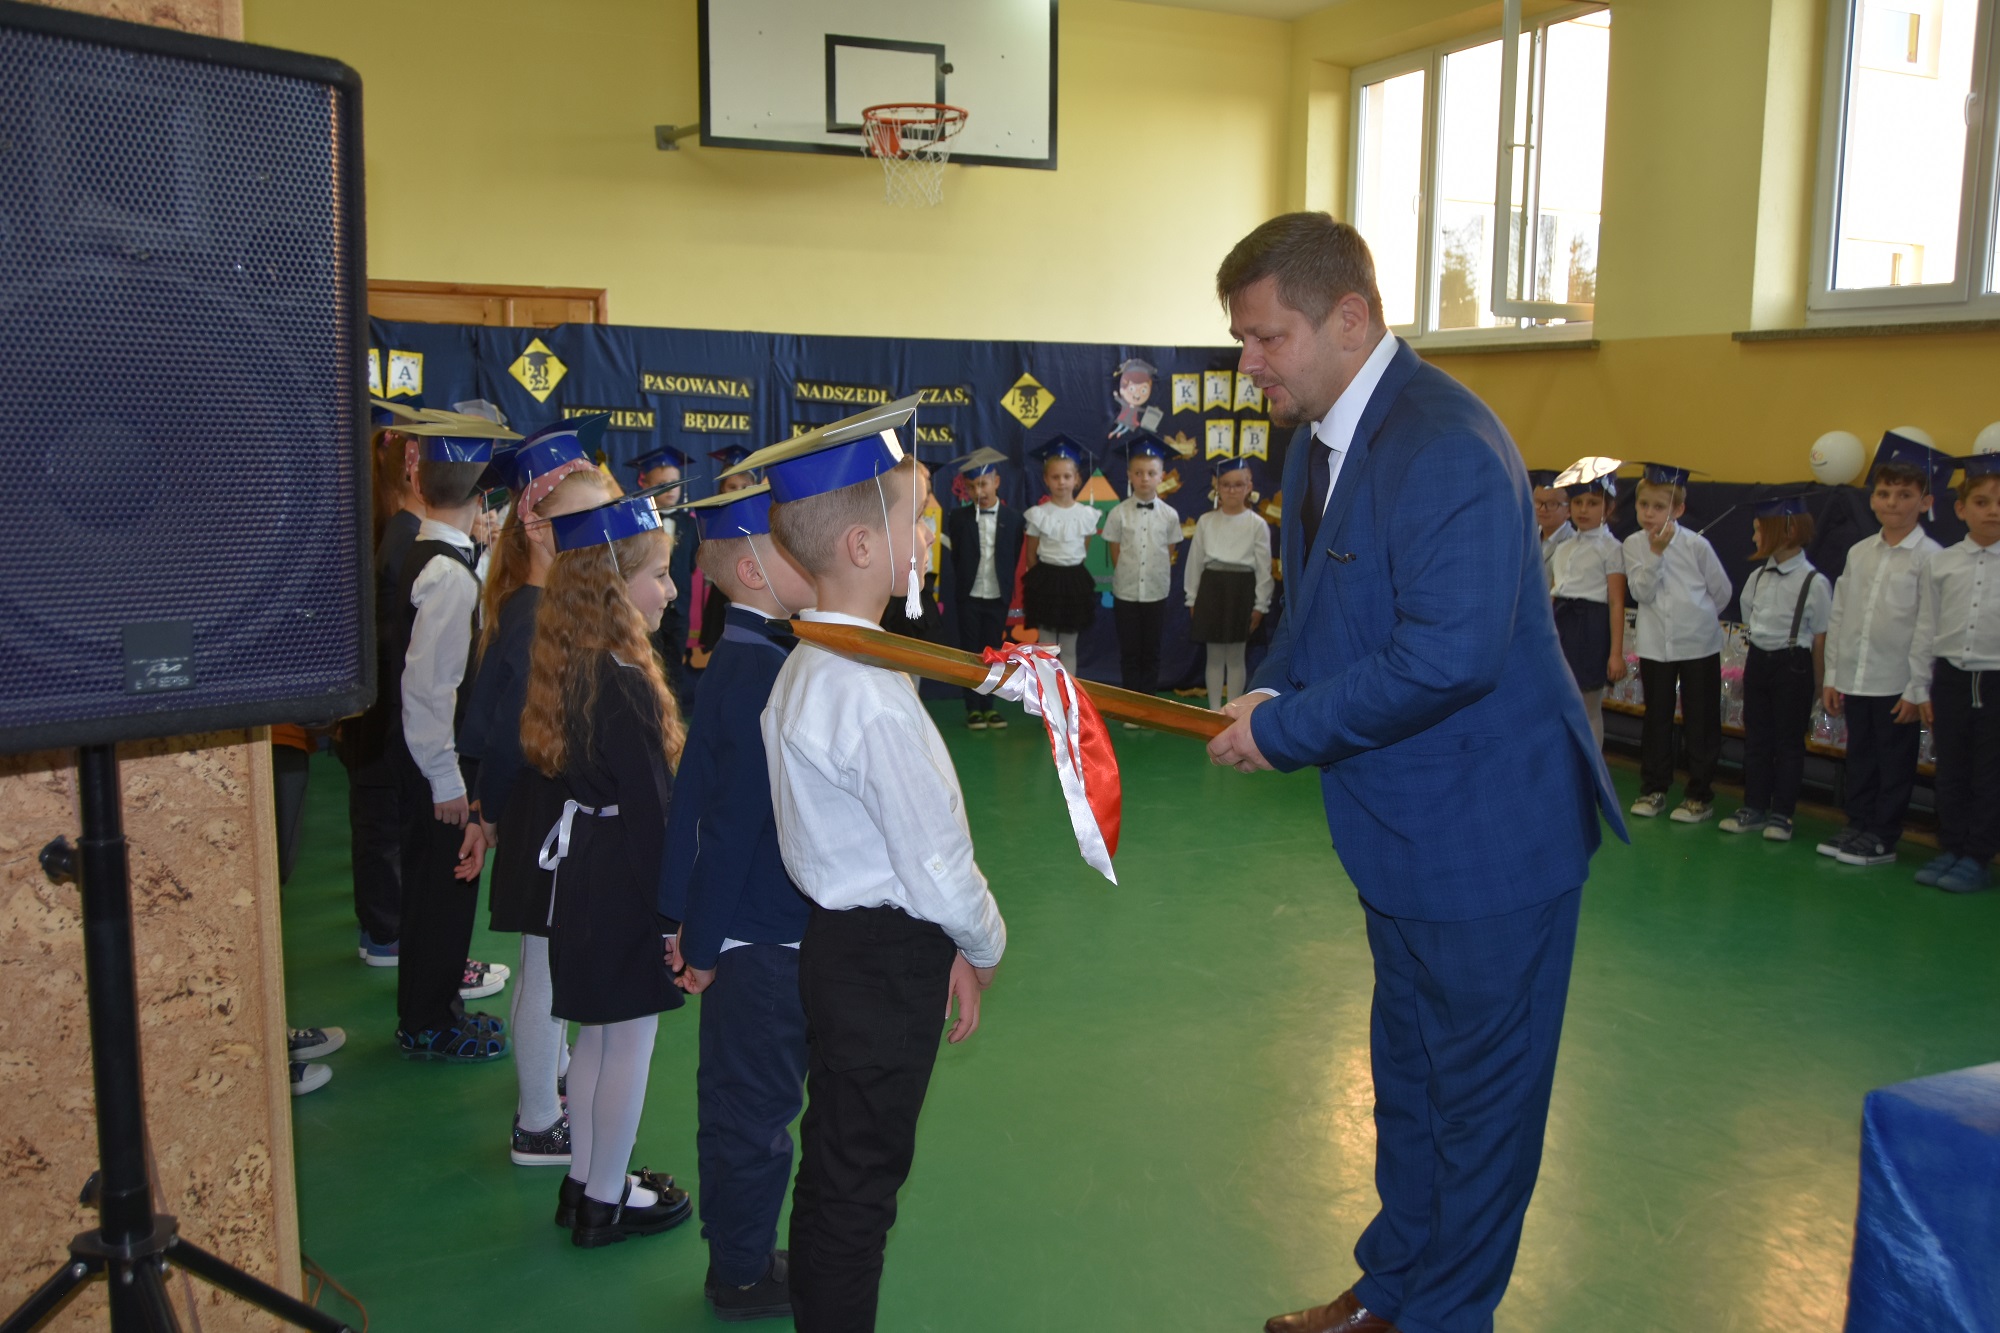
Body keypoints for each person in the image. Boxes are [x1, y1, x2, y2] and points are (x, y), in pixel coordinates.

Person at [1202, 213, 1622, 1333]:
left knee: (1479, 1110)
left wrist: (1286, 733)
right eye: (1242, 340)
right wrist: (1268, 696)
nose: (1250, 364)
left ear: (1349, 318)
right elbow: (1315, 615)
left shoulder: (1445, 442)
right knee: (1413, 1082)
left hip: (1489, 843)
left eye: (1266, 338)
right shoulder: (1319, 440)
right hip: (1400, 836)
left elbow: (1450, 654)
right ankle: (1389, 1292)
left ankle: (1443, 1316)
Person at [747, 401, 1005, 1332]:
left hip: (854, 947)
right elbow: (931, 861)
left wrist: (945, 949)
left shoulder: (817, 662)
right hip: (883, 959)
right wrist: (984, 940)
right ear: (863, 545)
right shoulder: (866, 693)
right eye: (916, 516)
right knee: (861, 1185)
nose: (929, 532)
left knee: (840, 1161)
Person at [657, 482, 819, 1321]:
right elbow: (729, 820)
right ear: (755, 568)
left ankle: (738, 1251)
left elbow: (695, 797)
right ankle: (744, 1272)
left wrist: (680, 915)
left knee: (735, 1102)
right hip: (761, 937)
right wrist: (702, 939)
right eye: (795, 543)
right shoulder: (762, 669)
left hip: (738, 929)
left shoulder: (738, 653)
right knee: (756, 1112)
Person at [524, 489, 695, 1246]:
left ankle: (585, 1181)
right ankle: (606, 1199)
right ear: (613, 586)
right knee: (629, 1040)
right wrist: (673, 914)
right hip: (626, 878)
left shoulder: (577, 664)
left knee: (596, 1035)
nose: (671, 591)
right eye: (658, 575)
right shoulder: (623, 681)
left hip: (586, 870)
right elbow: (653, 815)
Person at [455, 422, 607, 1164]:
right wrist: (488, 814)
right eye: (586, 521)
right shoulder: (535, 617)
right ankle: (539, 1120)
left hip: (539, 818)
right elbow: (505, 736)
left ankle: (549, 1077)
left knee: (542, 962)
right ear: (539, 527)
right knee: (547, 972)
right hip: (544, 820)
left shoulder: (539, 603)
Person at [391, 419, 522, 1061]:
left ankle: (427, 1010)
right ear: (482, 497)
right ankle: (431, 1020)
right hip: (437, 766)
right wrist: (447, 780)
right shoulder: (448, 576)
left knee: (431, 890)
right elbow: (429, 688)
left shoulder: (431, 556)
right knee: (443, 895)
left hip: (422, 759)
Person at [1817, 434, 1947, 866]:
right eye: (1885, 493)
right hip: (1857, 677)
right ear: (1872, 500)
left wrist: (1916, 688)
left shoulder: (1931, 558)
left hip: (1897, 683)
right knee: (1861, 756)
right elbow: (1840, 616)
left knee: (1894, 762)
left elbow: (1928, 627)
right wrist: (1833, 676)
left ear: (1925, 502)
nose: (1892, 502)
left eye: (1904, 495)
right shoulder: (1859, 553)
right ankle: (1857, 824)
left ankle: (1882, 835)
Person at [338, 399, 428, 966]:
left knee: (377, 825)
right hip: (386, 715)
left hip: (373, 714)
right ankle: (386, 931)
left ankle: (381, 925)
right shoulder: (404, 538)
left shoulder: (385, 527)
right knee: (384, 828)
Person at [1904, 453, 2000, 894]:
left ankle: (1977, 856)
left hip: (1995, 679)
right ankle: (1952, 845)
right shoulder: (1941, 564)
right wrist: (1919, 686)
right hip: (1951, 678)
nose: (1992, 511)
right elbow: (1926, 626)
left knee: (1989, 773)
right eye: (1981, 502)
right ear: (1961, 509)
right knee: (1952, 769)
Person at [1718, 496, 1832, 843]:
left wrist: (1819, 685)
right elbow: (1750, 621)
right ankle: (1753, 806)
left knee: (1788, 744)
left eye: (1758, 530)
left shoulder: (1814, 582)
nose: (1753, 537)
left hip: (1793, 666)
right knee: (1756, 739)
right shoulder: (1757, 578)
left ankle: (1783, 813)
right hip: (1759, 661)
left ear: (1787, 532)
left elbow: (1821, 638)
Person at [1622, 463, 1731, 822]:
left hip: (1698, 645)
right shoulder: (1634, 545)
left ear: (1679, 509)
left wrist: (1697, 618)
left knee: (1700, 720)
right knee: (1657, 718)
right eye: (1643, 505)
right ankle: (1654, 789)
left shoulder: (1697, 545)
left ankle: (1699, 794)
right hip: (1655, 647)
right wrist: (1655, 554)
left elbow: (1721, 592)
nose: (1649, 513)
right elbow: (1640, 592)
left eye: (1659, 506)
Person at [942, 447, 1023, 731]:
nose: (979, 491)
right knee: (970, 652)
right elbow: (957, 558)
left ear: (996, 482)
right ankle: (973, 708)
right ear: (965, 488)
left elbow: (1012, 556)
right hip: (969, 596)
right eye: (973, 486)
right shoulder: (958, 518)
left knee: (994, 654)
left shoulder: (1014, 519)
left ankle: (990, 707)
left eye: (984, 484)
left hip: (997, 596)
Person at [1185, 456, 1274, 711]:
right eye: (1226, 485)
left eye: (1238, 485)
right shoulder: (1206, 521)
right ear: (1217, 487)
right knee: (1214, 655)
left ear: (1249, 486)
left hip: (1241, 592)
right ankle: (1214, 711)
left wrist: (1260, 605)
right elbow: (1195, 563)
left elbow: (1264, 569)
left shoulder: (1257, 524)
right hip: (1211, 590)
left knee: (1236, 656)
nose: (1232, 490)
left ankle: (1232, 710)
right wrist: (1192, 598)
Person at [1102, 433, 1184, 711]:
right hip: (1126, 592)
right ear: (1129, 476)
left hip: (1155, 592)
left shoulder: (1170, 515)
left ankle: (1147, 706)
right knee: (1130, 651)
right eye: (1138, 473)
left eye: (1151, 473)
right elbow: (1115, 551)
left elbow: (1169, 550)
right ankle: (1129, 706)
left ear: (1161, 476)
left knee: (1151, 650)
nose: (1144, 478)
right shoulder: (1118, 513)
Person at [1547, 467, 1625, 749]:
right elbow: (1554, 593)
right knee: (1558, 699)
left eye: (1592, 503)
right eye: (1578, 502)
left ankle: (1592, 767)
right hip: (1561, 622)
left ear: (1609, 507)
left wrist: (1615, 653)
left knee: (1588, 704)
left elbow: (1616, 602)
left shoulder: (1611, 548)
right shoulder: (1564, 547)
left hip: (1591, 626)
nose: (1583, 510)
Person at [1021, 436, 1101, 677]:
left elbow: (1084, 548)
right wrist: (1043, 578)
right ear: (1046, 480)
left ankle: (1068, 694)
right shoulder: (1039, 514)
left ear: (1077, 479)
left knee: (1068, 645)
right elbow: (1031, 554)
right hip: (1046, 580)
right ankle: (1046, 694)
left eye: (1067, 476)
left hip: (1074, 581)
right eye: (1055, 477)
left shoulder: (1086, 515)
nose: (1062, 482)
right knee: (1046, 646)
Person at [633, 444, 695, 704]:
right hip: (647, 606)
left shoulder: (690, 524)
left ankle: (675, 708)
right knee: (649, 659)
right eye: (661, 484)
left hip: (679, 608)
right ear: (645, 484)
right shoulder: (638, 525)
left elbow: (691, 564)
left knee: (675, 660)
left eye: (674, 483)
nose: (670, 489)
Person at [695, 445, 762, 660]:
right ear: (722, 488)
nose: (739, 491)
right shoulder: (714, 517)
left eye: (745, 486)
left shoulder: (763, 515)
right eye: (732, 486)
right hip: (723, 590)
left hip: (755, 591)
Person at [1530, 468, 1573, 589]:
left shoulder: (1573, 543)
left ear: (1569, 510)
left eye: (1552, 504)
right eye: (1538, 502)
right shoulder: (1527, 537)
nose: (1543, 509)